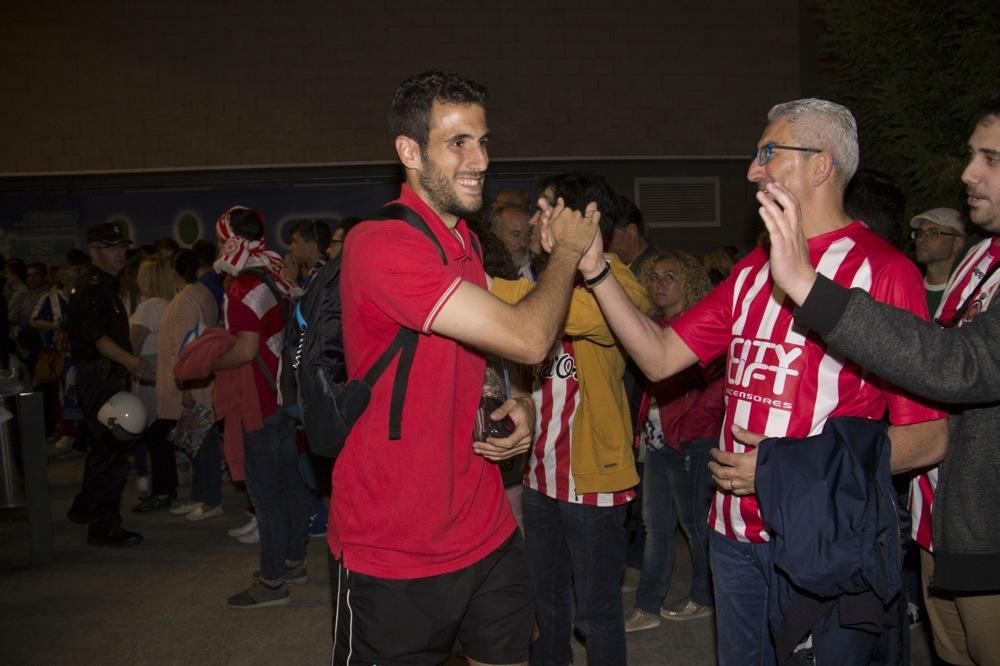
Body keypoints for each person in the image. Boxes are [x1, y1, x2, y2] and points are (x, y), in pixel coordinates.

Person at [556, 98, 949, 664]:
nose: (752, 170)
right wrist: (595, 271)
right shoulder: (750, 270)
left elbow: (929, 439)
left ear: (820, 164)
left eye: (768, 152)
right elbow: (662, 355)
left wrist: (786, 468)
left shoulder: (884, 272)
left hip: (823, 539)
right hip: (732, 535)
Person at [330, 70, 599, 665]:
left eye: (483, 140)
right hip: (393, 540)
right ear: (408, 151)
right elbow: (529, 338)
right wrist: (570, 253)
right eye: (458, 143)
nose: (480, 159)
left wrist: (517, 402)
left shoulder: (467, 243)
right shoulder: (381, 244)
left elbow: (479, 358)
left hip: (483, 524)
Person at [760, 90, 1000, 666]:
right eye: (973, 154)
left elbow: (963, 366)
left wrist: (808, 288)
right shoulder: (981, 257)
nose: (968, 172)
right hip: (944, 522)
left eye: (991, 159)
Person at [491, 173, 650, 664]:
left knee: (596, 614)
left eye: (545, 212)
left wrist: (471, 282)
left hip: (594, 482)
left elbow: (572, 314)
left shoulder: (619, 284)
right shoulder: (540, 281)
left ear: (585, 222)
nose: (536, 223)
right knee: (547, 604)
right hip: (540, 477)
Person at [208, 205, 311, 609]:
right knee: (292, 487)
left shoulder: (240, 289)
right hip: (285, 398)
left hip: (259, 402)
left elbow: (246, 350)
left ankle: (272, 582)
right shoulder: (277, 276)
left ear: (228, 240)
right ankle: (294, 562)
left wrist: (210, 361)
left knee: (267, 496)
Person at [624, 251, 721, 633]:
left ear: (689, 284)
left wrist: (691, 426)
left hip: (692, 440)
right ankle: (648, 605)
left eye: (670, 276)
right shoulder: (654, 325)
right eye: (655, 276)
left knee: (695, 524)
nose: (659, 283)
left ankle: (704, 596)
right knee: (656, 526)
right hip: (660, 440)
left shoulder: (700, 325)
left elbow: (718, 385)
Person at [65, 223, 153, 547]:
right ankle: (104, 525)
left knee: (102, 449)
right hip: (102, 378)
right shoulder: (92, 287)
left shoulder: (103, 285)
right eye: (113, 248)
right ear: (95, 251)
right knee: (113, 452)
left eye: (122, 248)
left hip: (104, 377)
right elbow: (98, 338)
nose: (121, 254)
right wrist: (131, 362)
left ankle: (86, 507)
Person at [158, 250, 223, 522]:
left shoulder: (186, 300)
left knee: (202, 444)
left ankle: (209, 499)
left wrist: (184, 389)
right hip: (196, 382)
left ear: (175, 272)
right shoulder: (201, 294)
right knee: (198, 443)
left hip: (191, 384)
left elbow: (186, 348)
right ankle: (201, 495)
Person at [909, 207, 967, 315]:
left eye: (933, 233)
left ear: (957, 243)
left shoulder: (967, 295)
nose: (921, 239)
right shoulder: (909, 291)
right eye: (920, 233)